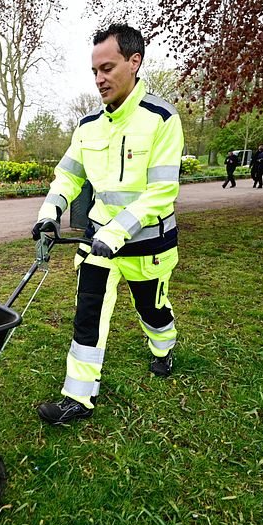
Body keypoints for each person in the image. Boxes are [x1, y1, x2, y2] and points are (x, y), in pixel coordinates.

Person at [32, 23, 184, 425]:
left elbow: (161, 192)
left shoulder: (162, 119)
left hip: (147, 246)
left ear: (134, 62)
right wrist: (49, 213)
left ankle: (163, 348)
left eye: (108, 68)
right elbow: (68, 176)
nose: (99, 79)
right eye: (94, 71)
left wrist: (118, 233)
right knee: (88, 314)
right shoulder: (87, 126)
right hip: (98, 242)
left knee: (152, 310)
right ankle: (78, 398)